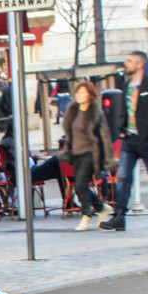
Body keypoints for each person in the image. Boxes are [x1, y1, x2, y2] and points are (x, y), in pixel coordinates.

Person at [103, 50, 148, 231]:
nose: (126, 63)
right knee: (123, 177)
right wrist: (122, 130)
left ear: (140, 64)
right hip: (129, 139)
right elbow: (123, 108)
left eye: (130, 61)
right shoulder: (126, 83)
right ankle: (119, 215)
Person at [59, 81, 116, 231]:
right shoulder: (73, 110)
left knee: (81, 183)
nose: (79, 95)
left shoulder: (96, 113)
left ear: (90, 95)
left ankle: (86, 217)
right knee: (79, 186)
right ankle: (101, 207)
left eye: (83, 92)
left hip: (91, 153)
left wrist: (107, 157)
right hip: (76, 153)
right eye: (78, 92)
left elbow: (104, 136)